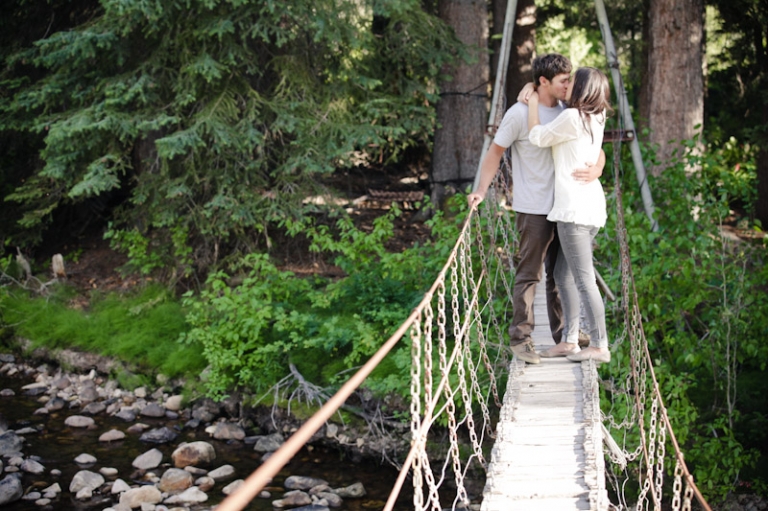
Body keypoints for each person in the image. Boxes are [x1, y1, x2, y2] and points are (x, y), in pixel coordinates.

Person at [467, 54, 605, 364]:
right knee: (530, 275)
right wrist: (480, 190)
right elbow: (495, 152)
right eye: (563, 80)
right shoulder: (519, 113)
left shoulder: (569, 110)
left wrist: (597, 168)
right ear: (543, 82)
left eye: (571, 79)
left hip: (567, 208)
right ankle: (522, 339)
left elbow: (596, 148)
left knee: (561, 276)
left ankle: (565, 336)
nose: (569, 84)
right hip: (534, 208)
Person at [525, 66, 612, 363]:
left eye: (572, 81)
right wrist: (599, 166)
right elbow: (598, 152)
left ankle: (600, 345)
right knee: (562, 274)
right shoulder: (596, 117)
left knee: (583, 278)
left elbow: (537, 137)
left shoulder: (573, 117)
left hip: (574, 210)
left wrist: (534, 102)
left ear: (583, 88)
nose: (568, 85)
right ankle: (570, 340)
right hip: (587, 206)